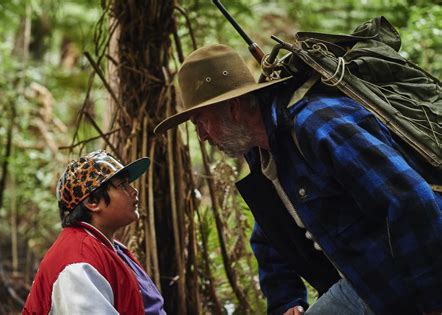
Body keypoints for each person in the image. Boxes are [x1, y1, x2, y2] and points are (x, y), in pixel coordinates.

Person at [154, 44, 442, 315]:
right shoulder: (262, 155)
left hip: (408, 280)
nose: (202, 136)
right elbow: (270, 235)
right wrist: (286, 301)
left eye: (202, 121)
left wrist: (432, 301)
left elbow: (410, 199)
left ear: (233, 108)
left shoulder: (317, 125)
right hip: (366, 284)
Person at [23, 150, 166, 315]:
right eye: (122, 185)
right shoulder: (77, 264)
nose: (134, 191)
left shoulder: (110, 248)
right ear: (92, 202)